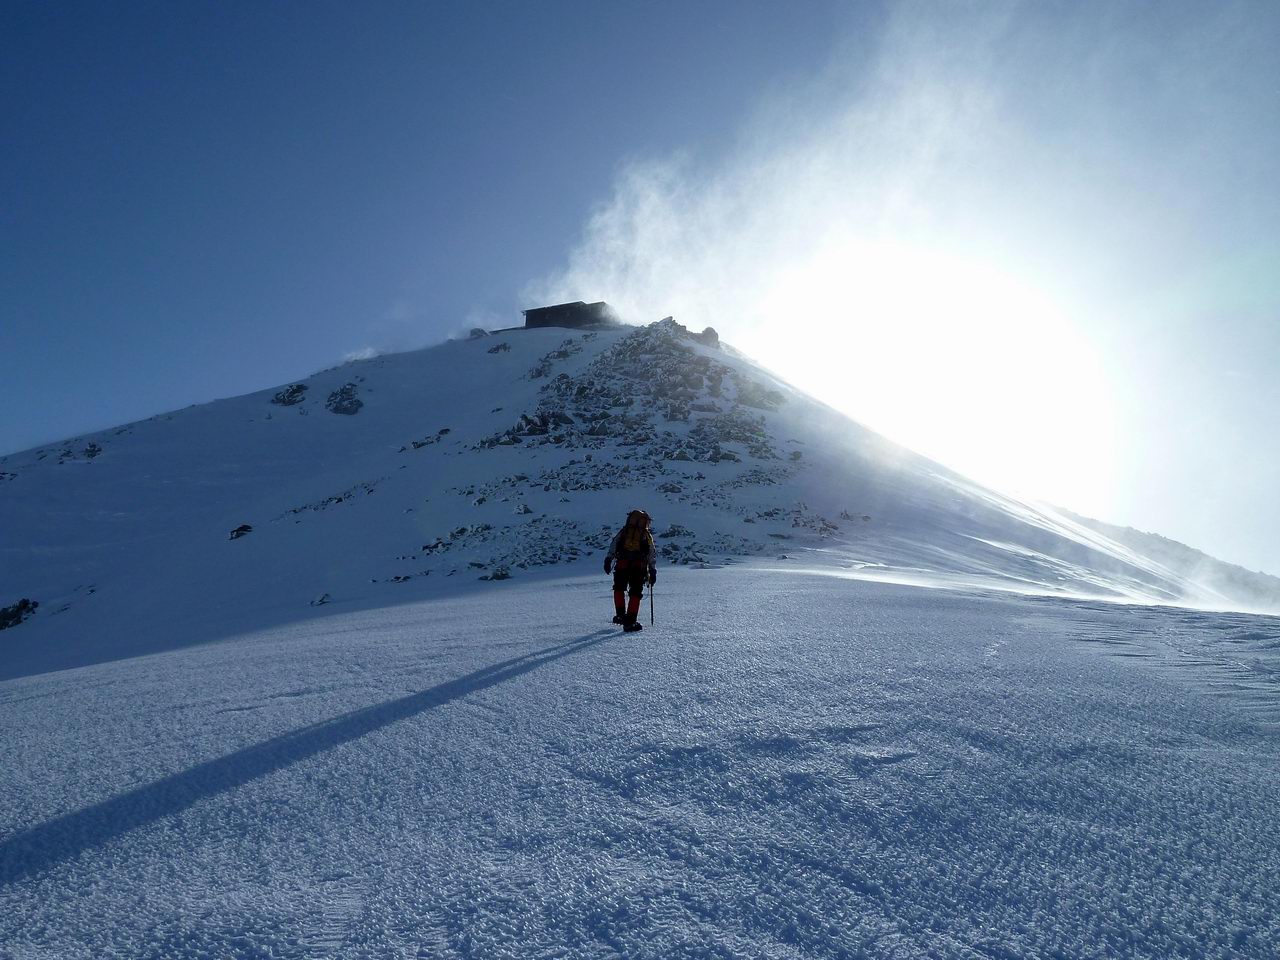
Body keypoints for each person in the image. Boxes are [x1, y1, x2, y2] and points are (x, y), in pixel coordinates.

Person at [603, 509, 657, 632]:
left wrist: (608, 559)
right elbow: (651, 554)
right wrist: (652, 571)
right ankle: (630, 622)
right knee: (635, 592)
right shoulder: (646, 535)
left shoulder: (625, 531)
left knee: (619, 588)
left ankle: (620, 615)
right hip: (639, 567)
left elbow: (614, 544)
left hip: (622, 564)